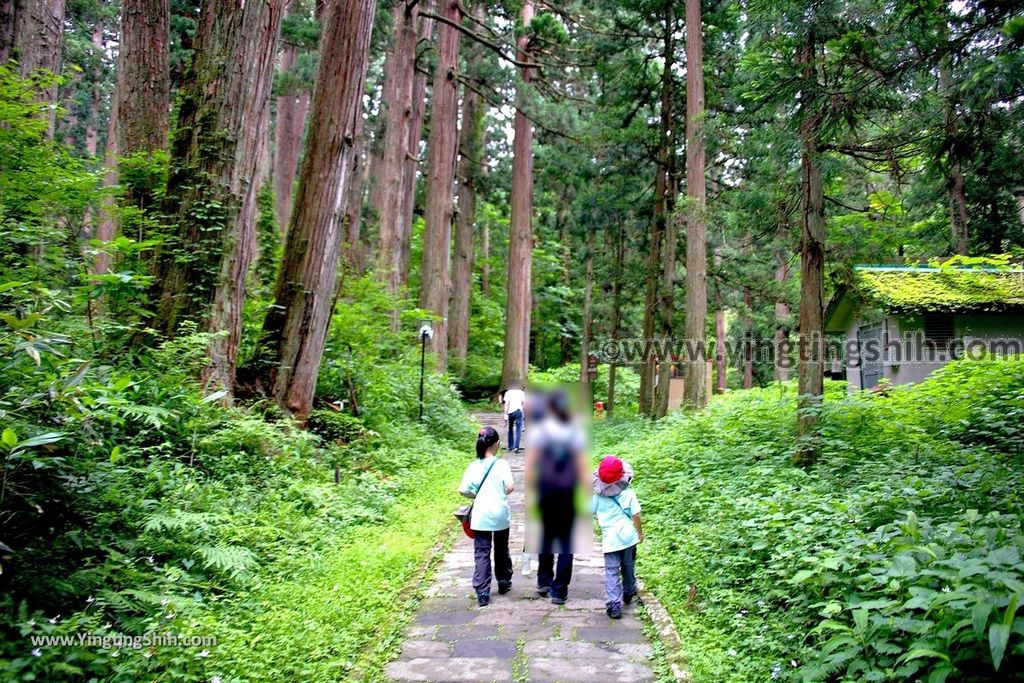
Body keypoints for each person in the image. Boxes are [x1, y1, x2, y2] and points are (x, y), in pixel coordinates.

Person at [525, 389, 589, 605]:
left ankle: (544, 580)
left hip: (545, 489)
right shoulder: (575, 432)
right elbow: (581, 466)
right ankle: (559, 590)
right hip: (567, 491)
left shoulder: (540, 431)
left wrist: (530, 492)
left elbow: (532, 464)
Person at [459, 427, 515, 607]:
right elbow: (510, 487)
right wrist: (502, 491)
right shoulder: (502, 464)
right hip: (500, 514)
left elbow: (463, 490)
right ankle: (504, 581)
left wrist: (474, 495)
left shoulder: (474, 466)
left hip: (481, 516)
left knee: (482, 552)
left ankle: (483, 591)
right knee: (501, 549)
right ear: (496, 444)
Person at [591, 455, 643, 620]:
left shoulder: (597, 497)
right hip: (628, 538)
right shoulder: (628, 494)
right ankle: (628, 591)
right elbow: (636, 514)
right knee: (628, 567)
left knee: (612, 572)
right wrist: (640, 533)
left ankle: (614, 605)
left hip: (610, 541)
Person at [502, 380, 526, 453]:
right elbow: (524, 403)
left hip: (510, 412)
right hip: (519, 411)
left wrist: (505, 414)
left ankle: (510, 446)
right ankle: (516, 447)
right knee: (518, 430)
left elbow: (506, 404)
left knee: (510, 428)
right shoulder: (522, 392)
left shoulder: (508, 392)